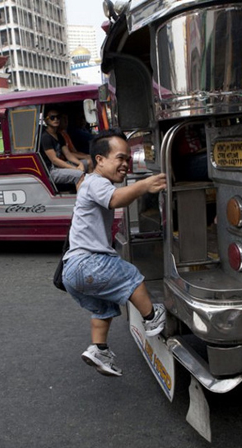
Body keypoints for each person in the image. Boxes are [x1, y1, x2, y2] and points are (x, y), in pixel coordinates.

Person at [62, 129, 167, 377]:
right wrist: (144, 185)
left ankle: (99, 349)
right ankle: (152, 317)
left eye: (128, 159)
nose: (125, 164)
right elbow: (115, 199)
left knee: (104, 308)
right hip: (89, 263)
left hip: (73, 272)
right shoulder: (97, 182)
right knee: (131, 277)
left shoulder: (89, 183)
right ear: (100, 159)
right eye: (120, 158)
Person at [40, 108, 86, 188]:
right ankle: (82, 199)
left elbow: (68, 154)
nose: (56, 119)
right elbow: (54, 160)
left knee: (88, 162)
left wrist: (80, 163)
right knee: (79, 175)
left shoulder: (59, 135)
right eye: (52, 118)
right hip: (51, 170)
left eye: (58, 117)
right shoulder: (45, 137)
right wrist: (74, 168)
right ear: (46, 120)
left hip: (60, 166)